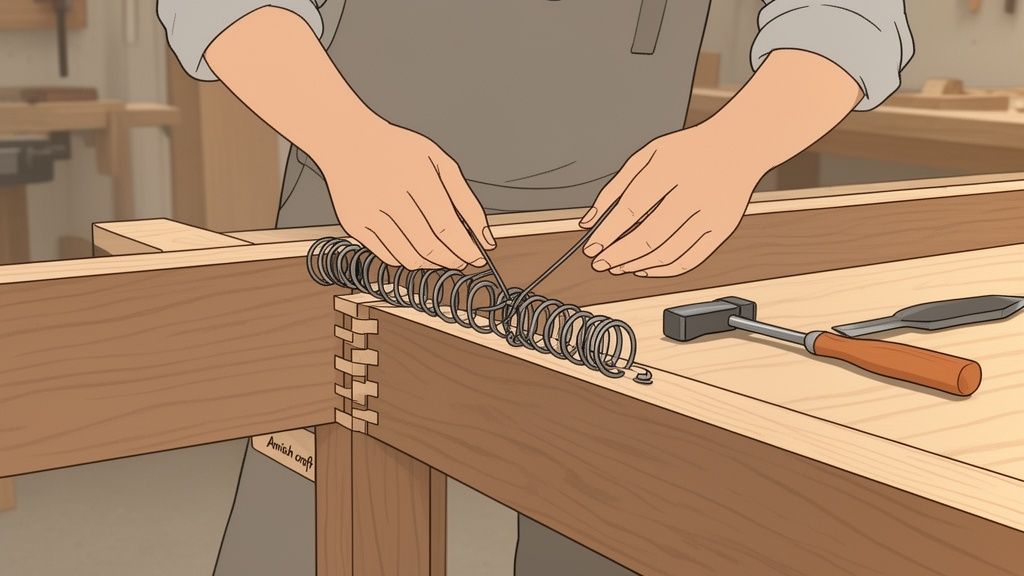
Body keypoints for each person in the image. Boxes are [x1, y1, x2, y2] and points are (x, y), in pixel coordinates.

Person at [158, 1, 913, 574]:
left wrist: (735, 148)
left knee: (606, 527)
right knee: (312, 531)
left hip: (618, 228)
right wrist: (345, 138)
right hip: (363, 206)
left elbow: (846, 16)